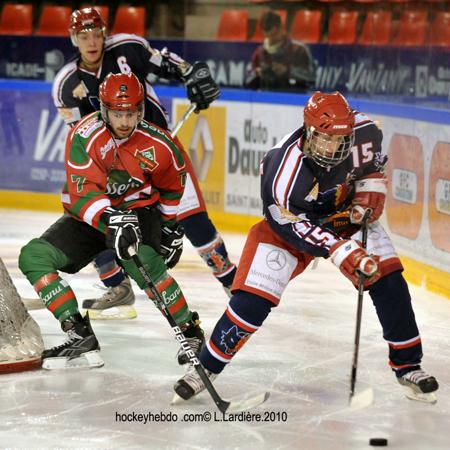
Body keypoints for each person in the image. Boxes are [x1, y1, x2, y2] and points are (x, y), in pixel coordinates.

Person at [173, 91, 439, 404]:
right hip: (289, 228)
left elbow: (371, 169)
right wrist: (340, 251)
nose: (332, 147)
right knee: (252, 300)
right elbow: (292, 225)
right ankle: (205, 367)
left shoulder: (365, 131)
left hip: (343, 218)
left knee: (389, 280)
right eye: (324, 138)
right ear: (308, 131)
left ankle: (408, 365)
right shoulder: (283, 168)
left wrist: (370, 192)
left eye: (339, 140)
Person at [51, 7, 236, 319]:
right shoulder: (66, 85)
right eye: (84, 36)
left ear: (105, 34)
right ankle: (116, 284)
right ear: (74, 39)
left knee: (191, 217)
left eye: (97, 34)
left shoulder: (128, 47)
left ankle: (231, 281)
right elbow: (82, 139)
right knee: (88, 211)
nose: (92, 41)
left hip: (159, 152)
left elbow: (171, 65)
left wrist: (194, 74)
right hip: (113, 167)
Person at [19, 73, 204, 369]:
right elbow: (82, 195)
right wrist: (111, 219)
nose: (125, 121)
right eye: (118, 113)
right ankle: (78, 333)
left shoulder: (161, 144)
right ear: (104, 110)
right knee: (34, 256)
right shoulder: (84, 135)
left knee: (142, 262)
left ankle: (189, 331)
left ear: (140, 109)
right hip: (95, 216)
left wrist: (169, 228)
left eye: (131, 112)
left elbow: (172, 189)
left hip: (139, 212)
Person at [245, 10, 316, 92]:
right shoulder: (260, 52)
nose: (272, 39)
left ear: (281, 28)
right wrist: (257, 73)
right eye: (268, 36)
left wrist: (288, 71)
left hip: (294, 98)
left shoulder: (299, 50)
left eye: (274, 35)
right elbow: (247, 79)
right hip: (266, 98)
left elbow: (311, 77)